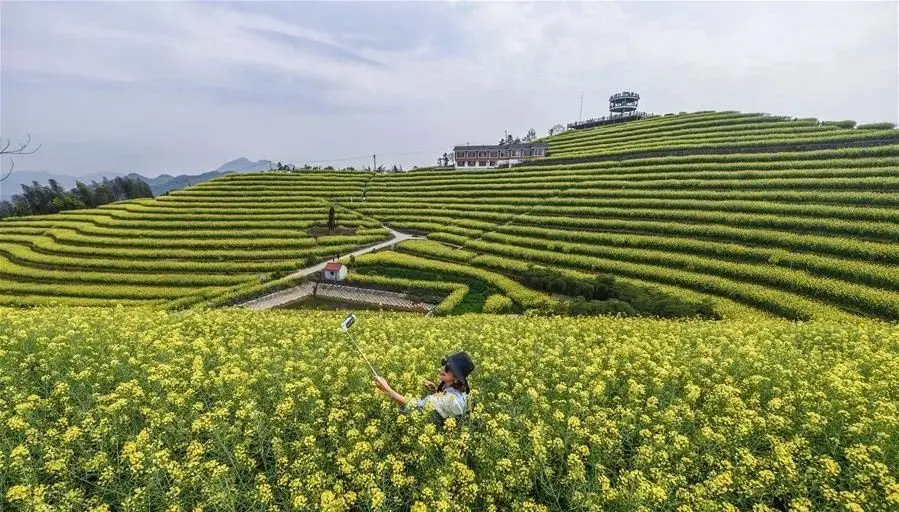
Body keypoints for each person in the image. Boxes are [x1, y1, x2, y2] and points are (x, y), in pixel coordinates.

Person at [373, 352, 474, 420]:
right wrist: (435, 392)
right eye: (444, 364)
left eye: (448, 368)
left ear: (457, 378)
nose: (443, 368)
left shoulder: (452, 399)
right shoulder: (458, 391)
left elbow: (418, 407)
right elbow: (443, 408)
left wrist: (387, 389)